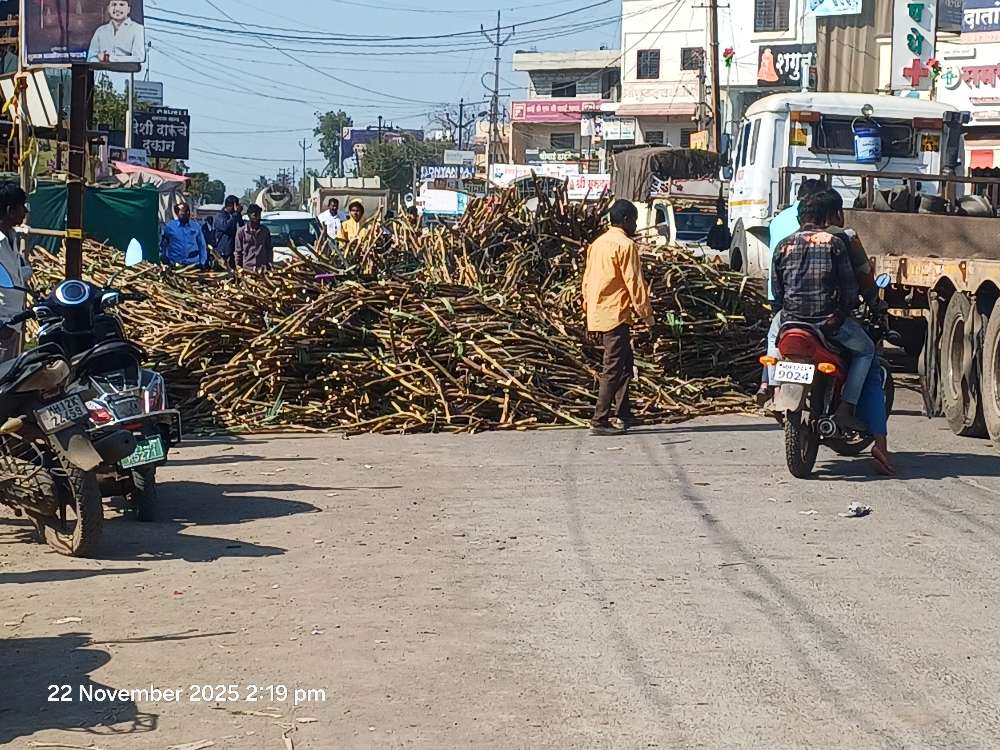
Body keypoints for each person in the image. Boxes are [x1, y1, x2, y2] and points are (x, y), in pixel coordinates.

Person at [771, 192, 873, 433]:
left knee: (773, 340)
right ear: (825, 217)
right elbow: (849, 290)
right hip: (827, 324)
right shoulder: (834, 243)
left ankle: (771, 386)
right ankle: (846, 409)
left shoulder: (782, 245)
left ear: (799, 218)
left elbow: (778, 292)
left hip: (791, 324)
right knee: (866, 351)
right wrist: (844, 311)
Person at [582, 200, 653, 436]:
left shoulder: (598, 244)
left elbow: (587, 281)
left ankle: (624, 413)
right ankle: (599, 420)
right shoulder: (625, 245)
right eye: (634, 220)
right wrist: (647, 317)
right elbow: (635, 284)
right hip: (616, 314)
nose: (635, 225)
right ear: (626, 221)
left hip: (598, 311)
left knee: (624, 365)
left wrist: (588, 309)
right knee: (612, 367)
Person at [0, 184, 31, 363]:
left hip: (13, 324)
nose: (25, 211)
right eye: (22, 206)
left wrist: (26, 272)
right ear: (10, 210)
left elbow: (10, 276)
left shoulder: (11, 238)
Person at [160, 202, 208, 268]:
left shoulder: (196, 226)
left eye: (186, 211)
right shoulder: (170, 227)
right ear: (177, 213)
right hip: (175, 264)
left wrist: (203, 262)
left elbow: (202, 245)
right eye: (181, 211)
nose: (184, 213)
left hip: (193, 265)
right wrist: (164, 257)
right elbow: (163, 244)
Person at [235, 204, 274, 272]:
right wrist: (238, 266)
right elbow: (238, 252)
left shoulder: (265, 231)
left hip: (262, 269)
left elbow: (269, 249)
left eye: (259, 215)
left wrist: (270, 264)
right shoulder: (241, 232)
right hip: (247, 268)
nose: (257, 218)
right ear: (249, 216)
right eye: (255, 215)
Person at [213, 195, 243, 268]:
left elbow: (242, 226)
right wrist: (235, 214)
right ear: (230, 205)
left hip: (233, 252)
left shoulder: (234, 216)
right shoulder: (220, 216)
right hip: (223, 253)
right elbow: (226, 227)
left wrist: (238, 214)